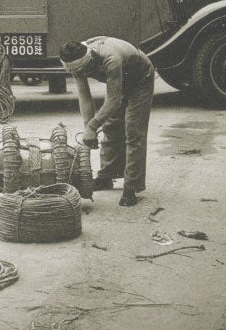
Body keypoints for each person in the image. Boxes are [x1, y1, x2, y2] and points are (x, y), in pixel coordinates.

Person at [60, 37, 155, 207]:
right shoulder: (77, 62)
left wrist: (92, 126)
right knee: (111, 127)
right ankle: (106, 177)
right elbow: (85, 96)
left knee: (134, 131)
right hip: (121, 78)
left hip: (140, 79)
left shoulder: (111, 58)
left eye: (81, 71)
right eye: (75, 73)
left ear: (90, 61)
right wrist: (89, 129)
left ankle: (131, 187)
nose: (79, 75)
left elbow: (114, 100)